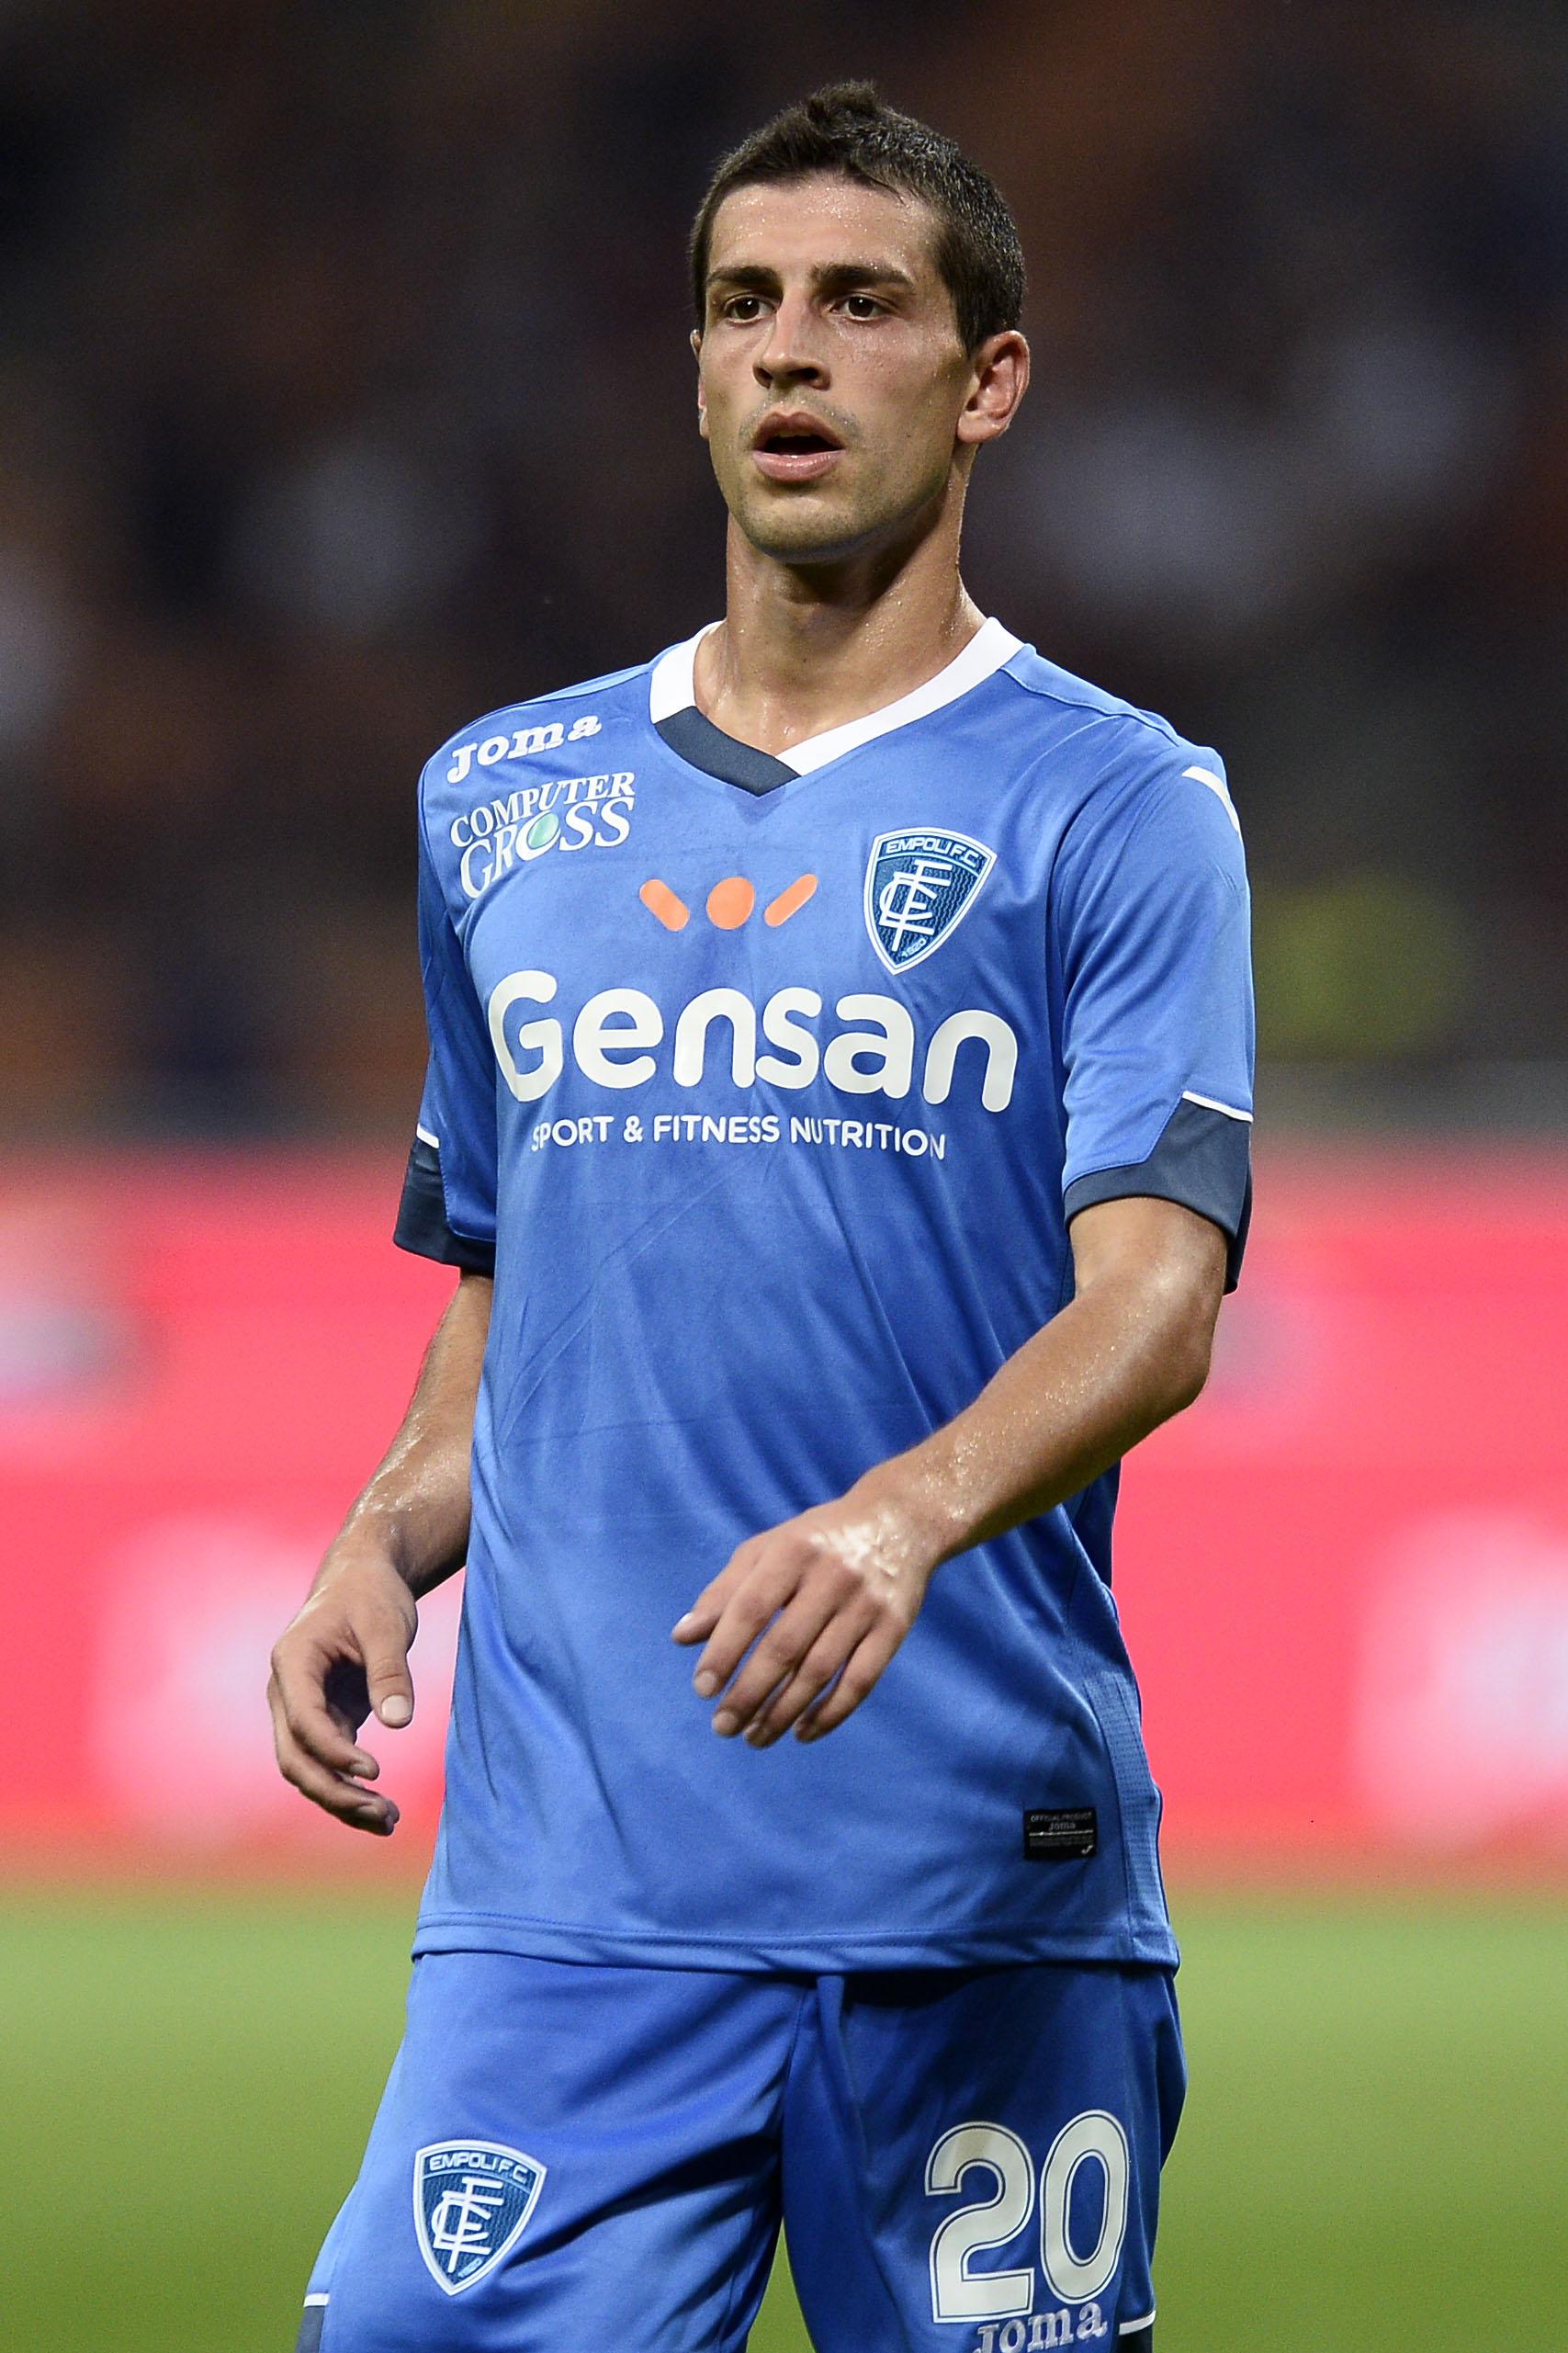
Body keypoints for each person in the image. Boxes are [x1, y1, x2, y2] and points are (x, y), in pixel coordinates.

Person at [269, 80, 1253, 2353]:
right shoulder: (501, 800)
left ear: (986, 379)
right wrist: (382, 1537)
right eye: (742, 305)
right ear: (697, 366)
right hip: (572, 1895)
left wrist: (897, 1523)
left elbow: (1156, 1304)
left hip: (971, 1886)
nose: (789, 349)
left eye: (858, 304)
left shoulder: (1117, 804)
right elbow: (516, 1272)